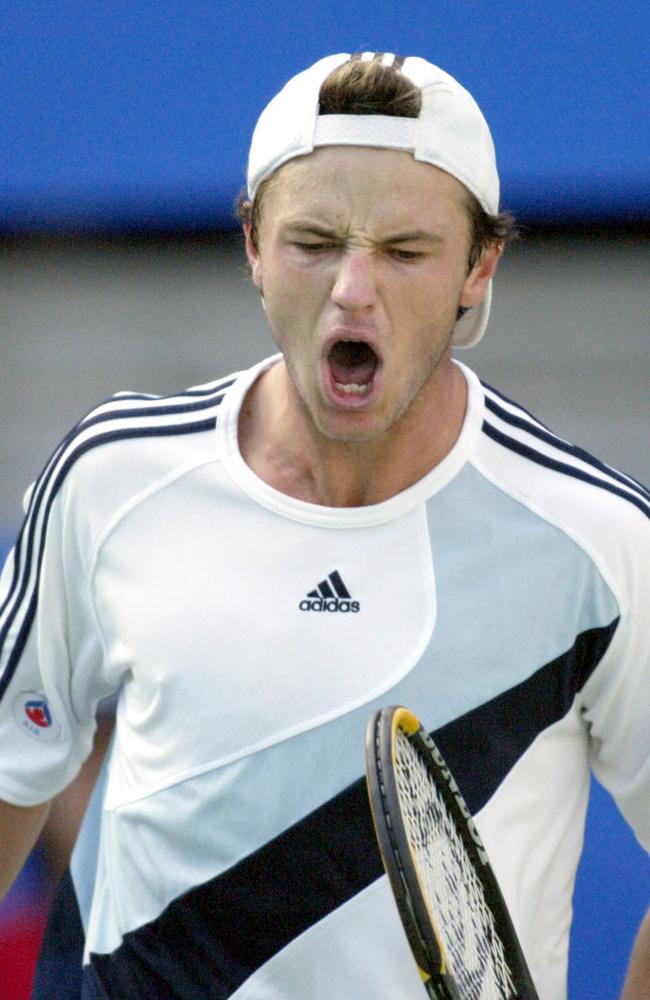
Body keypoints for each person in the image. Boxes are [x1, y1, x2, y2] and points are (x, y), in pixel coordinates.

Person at [0, 50, 648, 1000]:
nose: (352, 289)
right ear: (254, 248)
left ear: (479, 267)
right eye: (313, 243)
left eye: (404, 250)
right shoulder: (108, 478)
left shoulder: (604, 543)